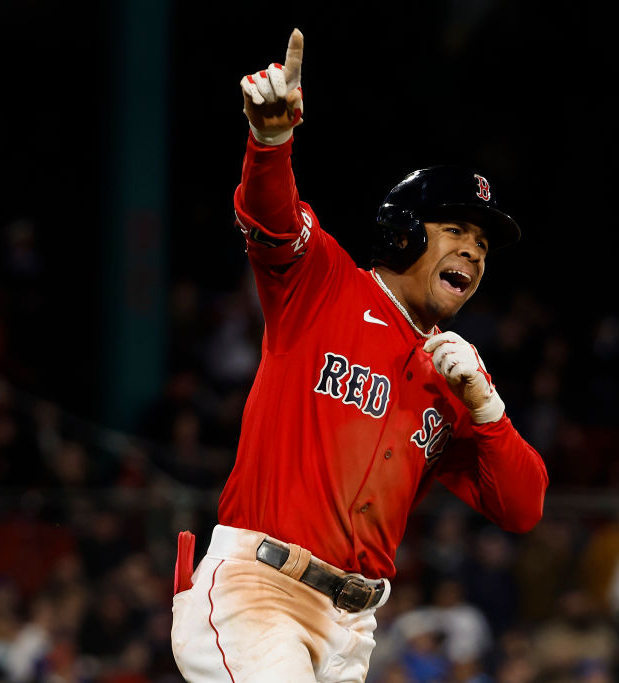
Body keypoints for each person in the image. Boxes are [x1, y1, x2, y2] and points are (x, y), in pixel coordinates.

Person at [170, 28, 549, 683]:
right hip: (258, 593)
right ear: (404, 232)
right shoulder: (326, 285)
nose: (474, 252)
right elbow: (272, 218)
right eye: (456, 230)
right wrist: (270, 142)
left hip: (353, 629)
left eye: (483, 244)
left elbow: (523, 505)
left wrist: (488, 408)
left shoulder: (452, 377)